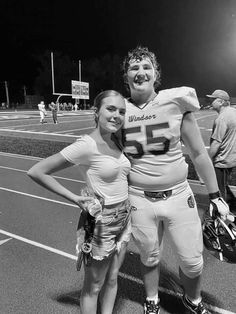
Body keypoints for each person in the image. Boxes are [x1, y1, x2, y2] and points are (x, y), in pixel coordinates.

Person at [120, 46, 229, 314]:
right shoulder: (117, 110)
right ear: (125, 76)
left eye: (146, 66)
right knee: (148, 256)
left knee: (192, 261)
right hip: (139, 199)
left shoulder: (176, 103)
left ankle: (192, 301)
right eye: (134, 67)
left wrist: (215, 196)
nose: (140, 72)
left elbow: (199, 154)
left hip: (179, 195)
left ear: (156, 73)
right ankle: (152, 300)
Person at [27, 90, 132, 314]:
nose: (117, 115)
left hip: (125, 217)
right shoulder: (86, 145)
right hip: (102, 223)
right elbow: (37, 171)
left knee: (113, 279)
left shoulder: (116, 141)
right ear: (97, 112)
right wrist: (74, 198)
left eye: (121, 111)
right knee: (93, 287)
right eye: (111, 109)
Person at [206, 89, 236, 214]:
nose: (210, 101)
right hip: (232, 158)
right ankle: (234, 207)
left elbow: (216, 143)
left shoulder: (221, 118)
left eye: (213, 99)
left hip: (222, 160)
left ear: (221, 101)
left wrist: (206, 162)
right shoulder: (233, 112)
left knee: (218, 192)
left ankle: (220, 217)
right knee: (223, 185)